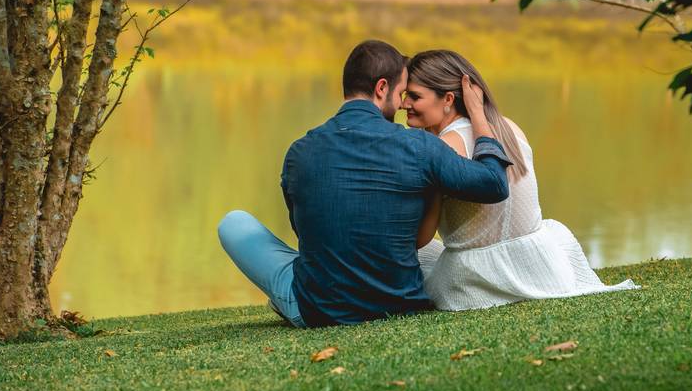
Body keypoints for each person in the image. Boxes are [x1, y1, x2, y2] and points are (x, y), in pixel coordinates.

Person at [217, 40, 513, 328]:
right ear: (381, 87)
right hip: (399, 303)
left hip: (319, 310)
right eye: (400, 94)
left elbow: (303, 230)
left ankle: (290, 296)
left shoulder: (299, 151)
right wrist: (477, 114)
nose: (401, 106)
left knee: (233, 223)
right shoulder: (420, 146)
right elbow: (494, 184)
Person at [406, 49, 639, 311]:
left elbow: (421, 237)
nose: (405, 104)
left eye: (414, 96)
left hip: (471, 281)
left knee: (418, 253)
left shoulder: (443, 148)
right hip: (542, 269)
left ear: (448, 98)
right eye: (404, 96)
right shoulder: (509, 127)